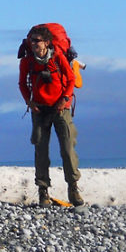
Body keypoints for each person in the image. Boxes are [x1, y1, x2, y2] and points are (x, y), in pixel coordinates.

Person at [19, 26, 83, 206]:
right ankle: (43, 191)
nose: (33, 44)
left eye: (36, 41)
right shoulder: (27, 62)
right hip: (39, 109)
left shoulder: (57, 57)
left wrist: (64, 99)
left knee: (67, 148)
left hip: (60, 108)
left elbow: (70, 79)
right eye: (31, 41)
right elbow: (22, 83)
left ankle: (73, 188)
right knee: (41, 151)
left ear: (47, 42)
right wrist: (29, 102)